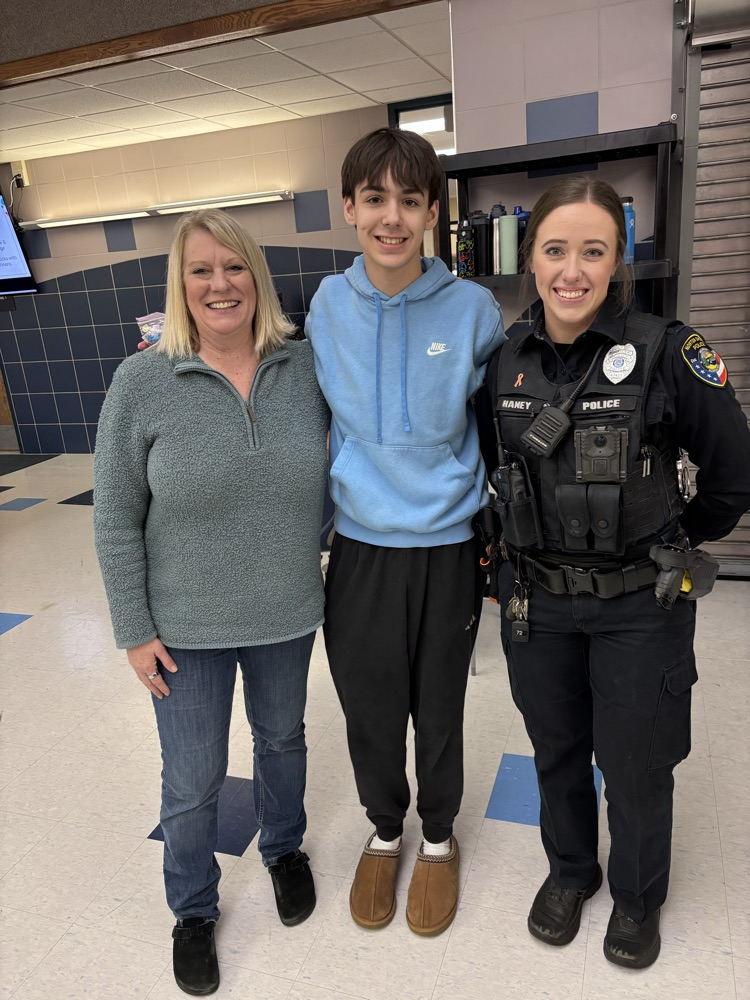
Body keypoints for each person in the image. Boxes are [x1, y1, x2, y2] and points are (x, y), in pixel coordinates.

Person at [475, 175, 750, 969]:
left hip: (640, 604)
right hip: (536, 602)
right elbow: (492, 472)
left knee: (635, 763)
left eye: (593, 251)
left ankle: (635, 898)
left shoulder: (671, 351)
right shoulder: (503, 364)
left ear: (617, 260)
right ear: (532, 257)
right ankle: (570, 874)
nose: (573, 270)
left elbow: (735, 475)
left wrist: (673, 541)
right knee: (555, 750)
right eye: (556, 249)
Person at [93, 209, 329, 996]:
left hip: (287, 611)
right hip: (183, 627)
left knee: (283, 740)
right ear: (181, 285)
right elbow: (115, 515)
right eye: (202, 271)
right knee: (192, 779)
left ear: (257, 277)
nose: (220, 284)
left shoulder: (305, 367)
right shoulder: (143, 382)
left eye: (235, 268)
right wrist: (133, 628)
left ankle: (284, 848)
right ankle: (193, 910)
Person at [305, 127, 505, 936]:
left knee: (440, 704)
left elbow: (501, 424)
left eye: (410, 200)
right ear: (349, 206)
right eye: (376, 198)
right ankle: (385, 830)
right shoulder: (326, 304)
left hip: (449, 546)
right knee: (370, 706)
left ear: (430, 213)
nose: (392, 217)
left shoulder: (472, 309)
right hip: (359, 546)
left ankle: (439, 838)